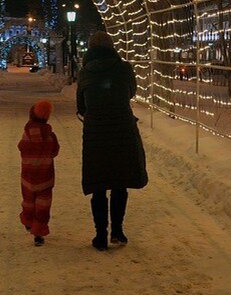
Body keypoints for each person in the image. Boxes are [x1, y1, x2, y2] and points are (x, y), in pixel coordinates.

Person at [76, 31, 148, 251]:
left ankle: (100, 236)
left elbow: (81, 106)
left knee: (99, 185)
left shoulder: (85, 72)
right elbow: (131, 92)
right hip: (122, 129)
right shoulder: (124, 68)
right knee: (119, 182)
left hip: (96, 133)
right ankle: (117, 231)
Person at [18, 100, 60, 246]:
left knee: (28, 201)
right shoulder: (50, 136)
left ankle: (28, 220)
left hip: (28, 176)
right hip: (45, 176)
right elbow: (55, 151)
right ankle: (38, 232)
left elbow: (21, 148)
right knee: (43, 205)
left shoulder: (27, 134)